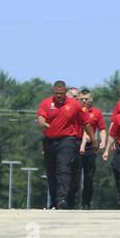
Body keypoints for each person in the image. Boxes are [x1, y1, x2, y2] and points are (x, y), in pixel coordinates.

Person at [36, 81, 97, 209]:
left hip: (67, 140)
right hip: (49, 141)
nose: (59, 96)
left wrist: (93, 139)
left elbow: (85, 123)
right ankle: (54, 201)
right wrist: (43, 124)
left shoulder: (73, 104)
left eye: (61, 93)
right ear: (53, 92)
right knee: (51, 172)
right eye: (56, 93)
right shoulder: (46, 103)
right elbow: (41, 117)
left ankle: (62, 200)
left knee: (63, 169)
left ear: (65, 92)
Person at [74, 89, 107, 210]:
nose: (84, 101)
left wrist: (103, 141)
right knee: (75, 176)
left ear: (91, 99)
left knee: (89, 177)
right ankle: (73, 201)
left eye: (86, 99)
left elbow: (102, 128)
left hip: (90, 147)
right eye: (82, 99)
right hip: (76, 145)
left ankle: (86, 202)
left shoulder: (96, 112)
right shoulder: (75, 110)